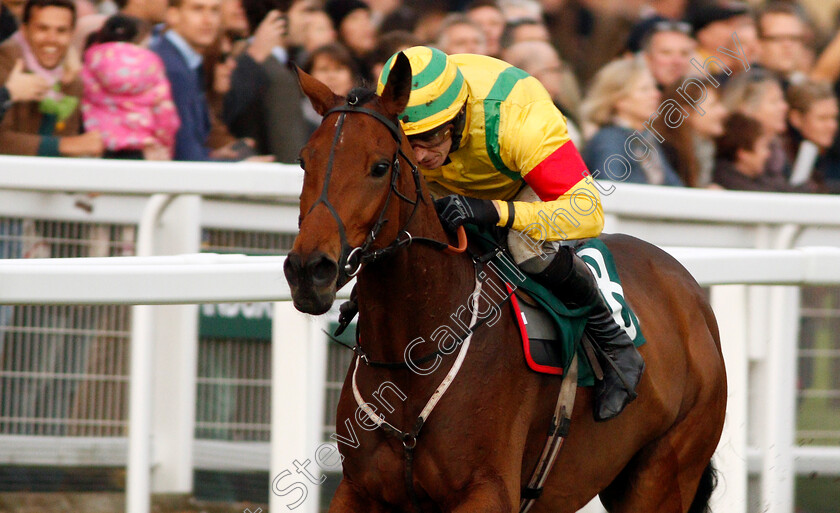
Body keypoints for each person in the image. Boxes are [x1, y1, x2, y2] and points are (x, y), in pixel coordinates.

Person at [376, 46, 644, 421]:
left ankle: (614, 342)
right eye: (408, 140)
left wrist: (493, 211)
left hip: (520, 183)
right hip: (449, 187)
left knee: (524, 246)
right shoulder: (400, 129)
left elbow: (588, 212)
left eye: (431, 137)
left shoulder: (520, 118)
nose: (418, 155)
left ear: (457, 117)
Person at [0, 0, 104, 157]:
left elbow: (71, 144)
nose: (51, 39)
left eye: (61, 31)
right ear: (24, 29)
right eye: (42, 28)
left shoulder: (72, 78)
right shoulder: (5, 63)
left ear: (72, 34)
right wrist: (8, 93)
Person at [151, 0, 248, 161]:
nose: (208, 20)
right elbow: (186, 155)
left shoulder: (186, 62)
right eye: (197, 9)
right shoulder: (171, 68)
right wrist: (238, 167)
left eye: (215, 10)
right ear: (173, 14)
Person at [81, 14, 180, 159]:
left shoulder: (90, 61)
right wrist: (165, 146)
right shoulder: (153, 66)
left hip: (97, 148)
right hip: (144, 150)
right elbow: (165, 114)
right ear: (141, 41)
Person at [222, 0, 306, 163]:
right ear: (278, 19)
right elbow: (289, 149)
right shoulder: (275, 75)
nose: (310, 21)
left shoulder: (243, 60)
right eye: (305, 12)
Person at [581, 57, 684, 187]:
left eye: (654, 87)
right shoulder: (609, 139)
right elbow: (612, 191)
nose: (656, 94)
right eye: (644, 89)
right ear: (619, 100)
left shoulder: (646, 138)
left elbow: (675, 187)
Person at [652, 77, 728, 188]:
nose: (723, 111)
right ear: (686, 112)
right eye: (713, 105)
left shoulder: (712, 149)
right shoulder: (667, 151)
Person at [756, 1, 810, 88]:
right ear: (758, 43)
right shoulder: (748, 88)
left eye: (794, 38)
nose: (787, 45)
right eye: (778, 38)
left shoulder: (800, 85)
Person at [639, 19, 697, 91]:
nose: (677, 61)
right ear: (647, 58)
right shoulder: (630, 97)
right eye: (666, 53)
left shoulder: (702, 95)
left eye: (684, 53)